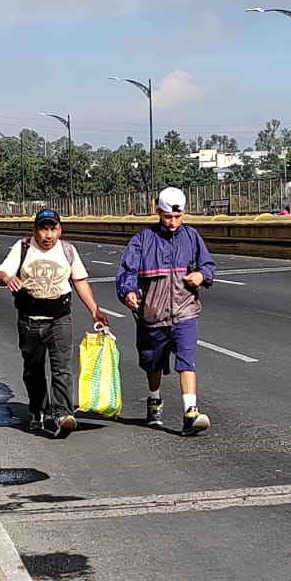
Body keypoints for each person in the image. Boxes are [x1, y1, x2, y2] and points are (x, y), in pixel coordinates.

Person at [0, 208, 107, 437]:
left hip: (59, 319)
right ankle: (37, 409)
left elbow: (80, 282)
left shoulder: (68, 250)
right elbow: (1, 272)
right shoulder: (23, 247)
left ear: (60, 229)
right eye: (43, 229)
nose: (48, 235)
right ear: (35, 230)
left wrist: (95, 311)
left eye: (53, 229)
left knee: (62, 369)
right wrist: (8, 278)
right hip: (29, 321)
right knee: (33, 370)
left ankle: (63, 414)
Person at [116, 186, 216, 434]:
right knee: (153, 364)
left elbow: (208, 266)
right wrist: (128, 292)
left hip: (185, 312)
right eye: (167, 217)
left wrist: (201, 275)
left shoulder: (192, 237)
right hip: (152, 316)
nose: (173, 222)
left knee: (186, 360)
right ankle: (154, 400)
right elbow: (127, 272)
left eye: (177, 217)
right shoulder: (142, 240)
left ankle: (190, 412)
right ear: (157, 211)